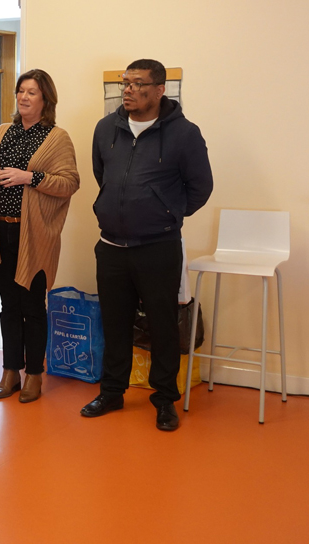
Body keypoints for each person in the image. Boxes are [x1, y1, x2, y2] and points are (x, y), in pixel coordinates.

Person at [81, 58, 213, 431]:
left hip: (158, 247)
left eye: (138, 84)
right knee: (114, 323)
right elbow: (102, 174)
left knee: (162, 325)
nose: (128, 90)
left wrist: (167, 212)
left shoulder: (184, 134)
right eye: (125, 83)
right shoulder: (106, 128)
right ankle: (112, 392)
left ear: (159, 90)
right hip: (111, 246)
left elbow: (200, 187)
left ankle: (165, 399)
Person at [0, 69, 81, 403]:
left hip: (35, 235)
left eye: (31, 92)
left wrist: (30, 177)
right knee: (9, 305)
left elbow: (69, 183)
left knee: (33, 306)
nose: (23, 97)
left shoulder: (57, 137)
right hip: (1, 231)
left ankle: (35, 373)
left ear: (45, 99)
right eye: (20, 91)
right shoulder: (2, 131)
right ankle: (10, 371)